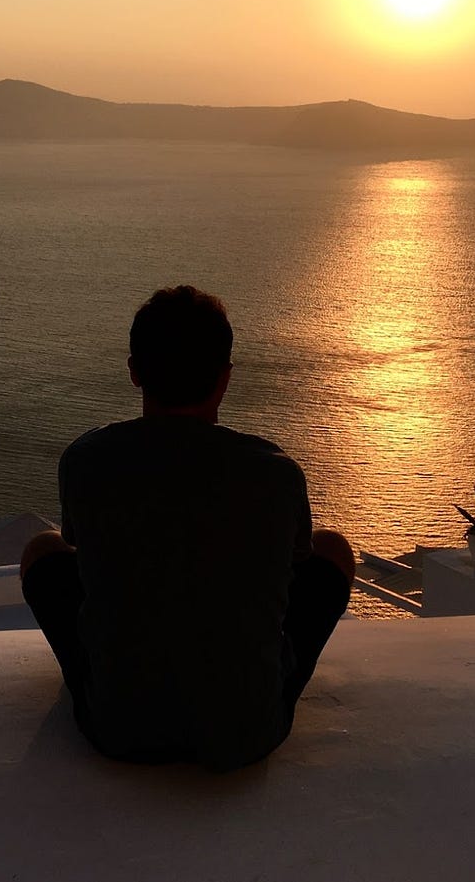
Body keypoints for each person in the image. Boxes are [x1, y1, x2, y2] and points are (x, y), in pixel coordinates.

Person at [21, 285, 354, 771]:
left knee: (42, 550)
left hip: (119, 729)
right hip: (245, 735)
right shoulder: (276, 472)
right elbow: (298, 562)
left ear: (134, 372)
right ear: (225, 378)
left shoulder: (86, 460)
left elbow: (76, 546)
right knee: (333, 550)